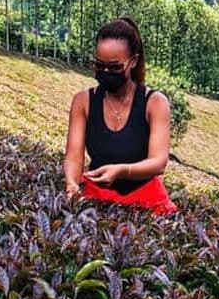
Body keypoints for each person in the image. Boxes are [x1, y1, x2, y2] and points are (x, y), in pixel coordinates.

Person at [64, 16, 176, 215]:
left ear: (132, 62)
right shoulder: (83, 102)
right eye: (99, 65)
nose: (106, 71)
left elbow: (158, 162)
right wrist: (71, 183)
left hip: (147, 202)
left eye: (115, 67)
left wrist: (123, 171)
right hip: (97, 197)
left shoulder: (155, 102)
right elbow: (74, 156)